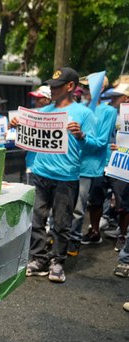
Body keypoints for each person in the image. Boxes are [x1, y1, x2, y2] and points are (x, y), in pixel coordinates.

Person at [17, 67, 98, 283]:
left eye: (56, 86)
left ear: (70, 87)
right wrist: (18, 125)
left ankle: (57, 261)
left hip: (66, 177)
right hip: (40, 173)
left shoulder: (84, 114)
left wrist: (81, 136)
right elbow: (28, 137)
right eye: (51, 86)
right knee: (37, 219)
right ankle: (39, 258)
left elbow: (97, 146)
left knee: (61, 223)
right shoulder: (44, 112)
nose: (51, 90)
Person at [68, 76, 115, 256]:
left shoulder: (108, 111)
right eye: (84, 86)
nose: (85, 89)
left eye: (89, 86)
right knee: (63, 204)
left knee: (79, 208)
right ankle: (62, 237)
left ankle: (74, 240)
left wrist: (82, 137)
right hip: (70, 163)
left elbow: (102, 142)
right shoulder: (80, 108)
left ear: (100, 89)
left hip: (88, 165)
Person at [84, 83, 129, 252]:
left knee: (123, 202)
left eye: (115, 97)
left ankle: (123, 235)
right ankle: (95, 231)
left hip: (121, 164)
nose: (111, 100)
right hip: (101, 162)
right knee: (95, 199)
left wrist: (124, 149)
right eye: (110, 96)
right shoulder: (103, 112)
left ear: (126, 98)